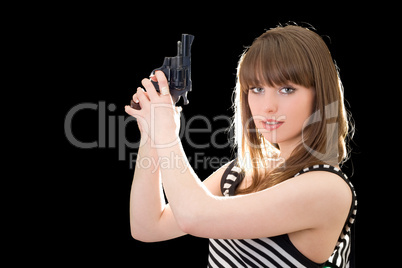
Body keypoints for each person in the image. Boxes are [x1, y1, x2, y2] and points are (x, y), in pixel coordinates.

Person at [125, 25, 357, 268]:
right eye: (257, 89)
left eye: (286, 89)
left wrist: (166, 134)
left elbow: (194, 216)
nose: (268, 106)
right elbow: (147, 227)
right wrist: (150, 135)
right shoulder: (238, 173)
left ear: (319, 94)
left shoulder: (327, 188)